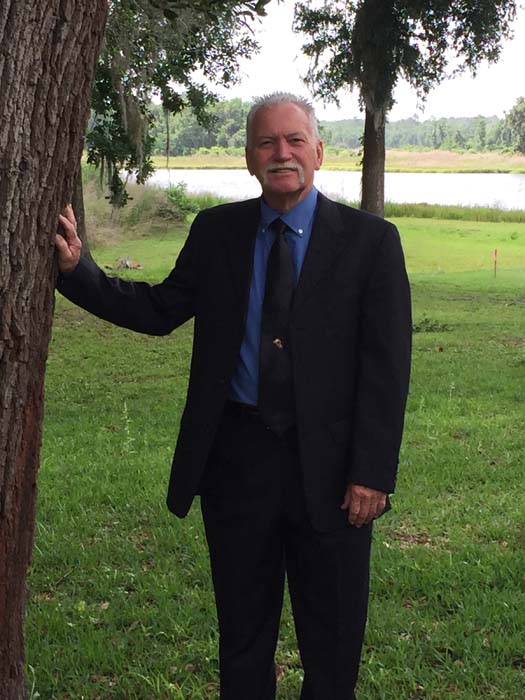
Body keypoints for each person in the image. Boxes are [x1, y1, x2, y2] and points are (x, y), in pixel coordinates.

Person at [55, 92, 411, 700]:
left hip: (333, 474)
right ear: (249, 158)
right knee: (243, 641)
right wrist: (77, 272)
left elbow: (387, 368)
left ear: (319, 152)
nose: (282, 154)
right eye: (267, 143)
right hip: (237, 465)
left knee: (333, 648)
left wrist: (371, 474)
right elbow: (160, 309)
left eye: (295, 141)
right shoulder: (217, 232)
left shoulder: (370, 242)